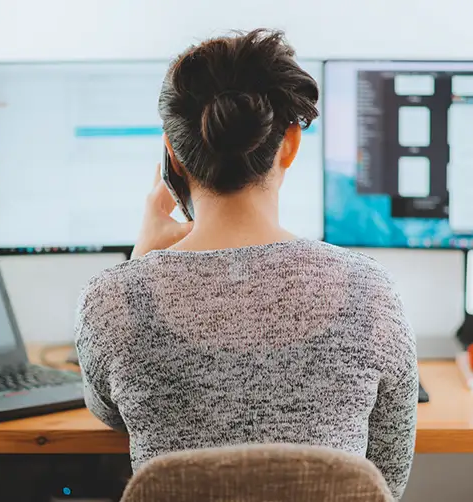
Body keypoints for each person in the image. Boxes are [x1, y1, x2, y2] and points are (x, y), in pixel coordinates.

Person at [74, 29, 418, 499]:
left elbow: (112, 412)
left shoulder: (112, 302)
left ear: (172, 155)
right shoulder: (371, 292)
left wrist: (140, 269)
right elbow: (384, 484)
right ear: (290, 145)